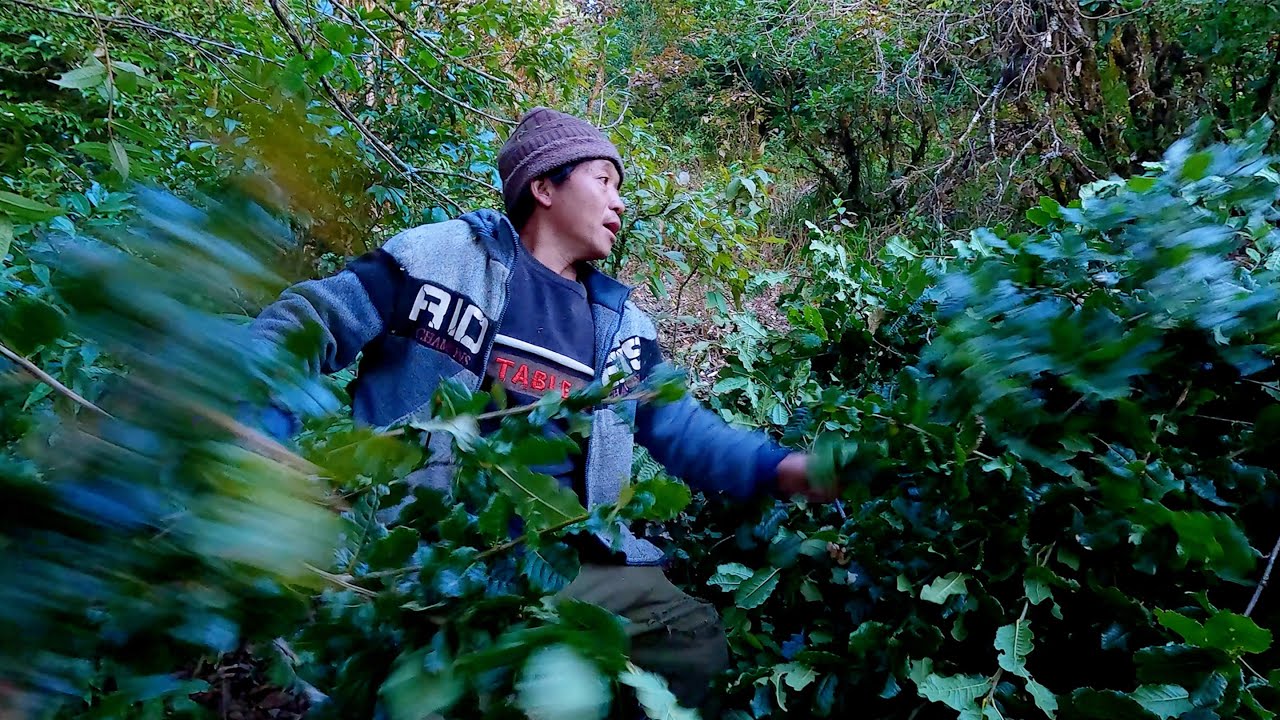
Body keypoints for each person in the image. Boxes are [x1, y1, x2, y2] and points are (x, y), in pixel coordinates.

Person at [245, 107, 836, 717]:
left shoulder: (621, 327)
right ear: (544, 185)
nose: (619, 203)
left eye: (619, 188)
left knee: (688, 638)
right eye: (603, 180)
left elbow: (681, 429)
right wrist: (253, 416)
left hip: (563, 556)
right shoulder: (438, 261)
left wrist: (783, 467)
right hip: (430, 549)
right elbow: (311, 321)